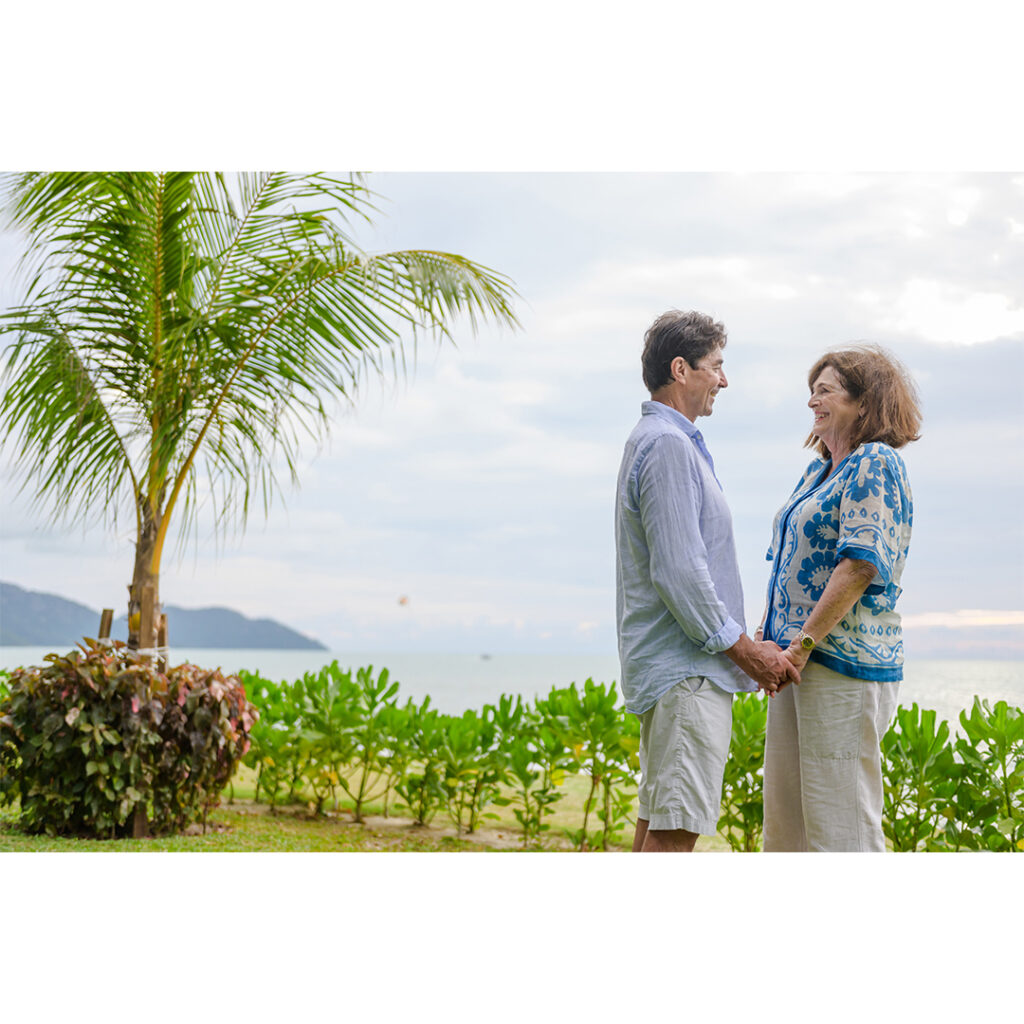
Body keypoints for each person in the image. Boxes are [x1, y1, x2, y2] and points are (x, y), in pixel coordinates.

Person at [616, 309, 800, 853]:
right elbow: (680, 572)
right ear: (681, 369)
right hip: (689, 674)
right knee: (673, 836)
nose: (724, 380)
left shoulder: (663, 440)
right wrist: (746, 651)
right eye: (716, 366)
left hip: (678, 672)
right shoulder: (668, 445)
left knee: (658, 823)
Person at [759, 344, 921, 852]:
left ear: (864, 403)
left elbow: (859, 565)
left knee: (841, 824)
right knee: (788, 826)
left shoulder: (875, 461)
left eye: (825, 391)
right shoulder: (817, 471)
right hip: (794, 662)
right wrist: (769, 639)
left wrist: (801, 645)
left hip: (839, 662)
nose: (812, 401)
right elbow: (786, 561)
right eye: (811, 391)